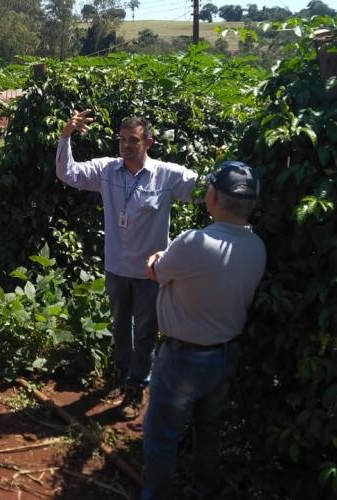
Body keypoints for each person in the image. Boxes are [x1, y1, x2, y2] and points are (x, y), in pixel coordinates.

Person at [56, 111, 198, 419]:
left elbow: (202, 192)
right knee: (121, 326)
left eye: (133, 140)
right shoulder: (107, 170)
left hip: (149, 273)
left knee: (146, 331)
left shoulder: (167, 175)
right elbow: (68, 173)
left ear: (149, 141)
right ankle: (124, 374)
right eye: (122, 140)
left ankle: (136, 386)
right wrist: (66, 135)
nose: (126, 146)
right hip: (117, 268)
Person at [142, 161, 266, 499]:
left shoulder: (195, 242)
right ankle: (203, 489)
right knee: (208, 429)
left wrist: (156, 258)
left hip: (184, 357)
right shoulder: (257, 247)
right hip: (225, 353)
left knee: (161, 435)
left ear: (212, 196)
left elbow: (156, 270)